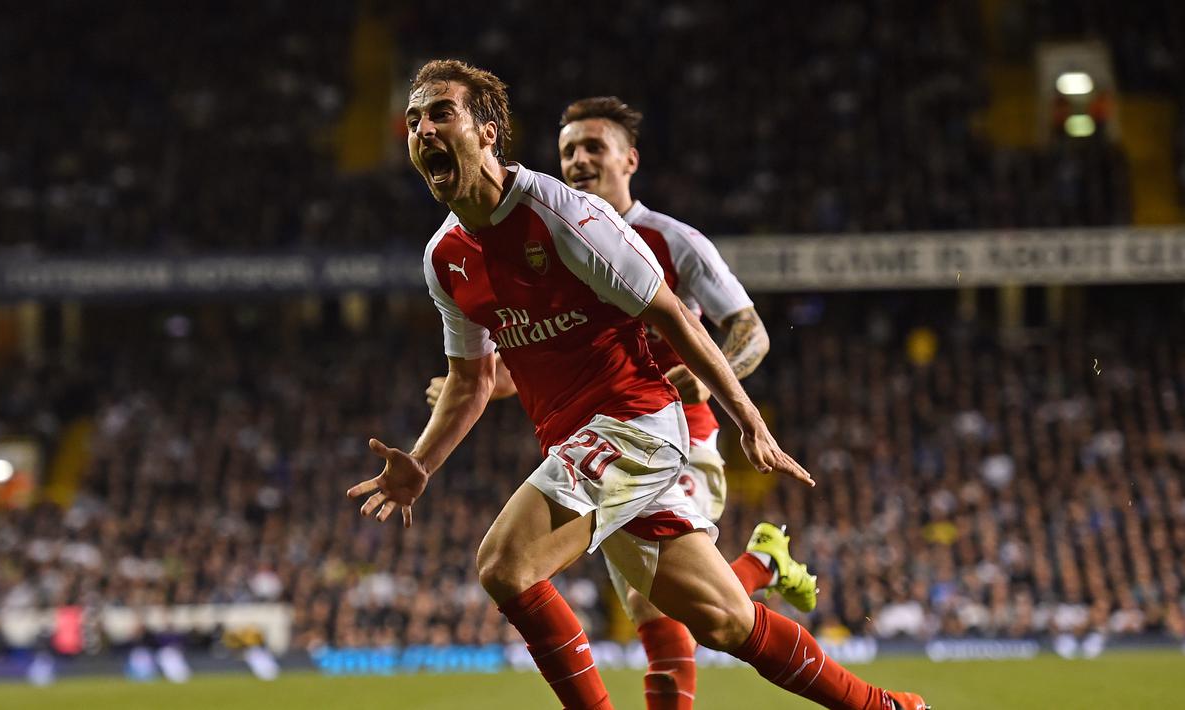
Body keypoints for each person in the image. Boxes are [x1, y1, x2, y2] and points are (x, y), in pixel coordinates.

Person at [348, 59, 928, 710]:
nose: (422, 128)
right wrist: (420, 463)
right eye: (412, 119)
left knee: (505, 566)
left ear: (488, 133)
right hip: (577, 442)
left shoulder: (558, 213)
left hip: (636, 425)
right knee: (722, 621)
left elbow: (678, 317)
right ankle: (886, 707)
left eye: (440, 113)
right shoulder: (444, 257)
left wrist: (750, 423)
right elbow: (470, 379)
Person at [425, 95, 820, 710]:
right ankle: (766, 567)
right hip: (594, 437)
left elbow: (750, 331)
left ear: (628, 159)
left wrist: (708, 382)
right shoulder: (556, 233)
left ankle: (765, 573)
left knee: (654, 605)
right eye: (567, 151)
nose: (578, 160)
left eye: (592, 148)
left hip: (674, 431)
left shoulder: (671, 240)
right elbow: (551, 347)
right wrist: (482, 384)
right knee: (695, 609)